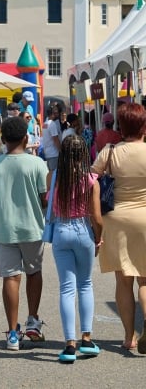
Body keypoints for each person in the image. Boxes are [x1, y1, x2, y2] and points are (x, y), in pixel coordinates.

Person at [0, 116, 48, 350]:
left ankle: (12, 332)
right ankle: (33, 319)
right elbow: (44, 197)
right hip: (32, 227)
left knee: (10, 277)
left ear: (4, 139)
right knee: (34, 272)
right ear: (26, 138)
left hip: (4, 227)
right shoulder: (37, 164)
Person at [91, 102, 146, 352]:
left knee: (124, 280)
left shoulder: (109, 151)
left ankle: (129, 337)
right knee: (145, 280)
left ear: (120, 126)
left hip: (117, 220)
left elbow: (90, 179)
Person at [51, 135, 103, 362]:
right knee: (85, 284)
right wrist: (98, 239)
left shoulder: (53, 177)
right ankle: (87, 339)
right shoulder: (92, 179)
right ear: (84, 154)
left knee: (66, 288)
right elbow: (97, 218)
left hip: (62, 230)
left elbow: (48, 204)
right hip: (83, 230)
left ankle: (69, 344)